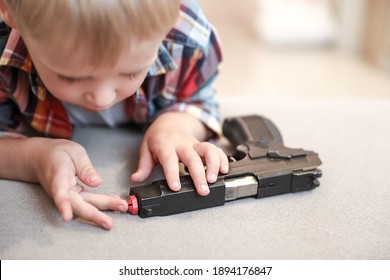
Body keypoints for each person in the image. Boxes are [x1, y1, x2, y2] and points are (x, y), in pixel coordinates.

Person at [0, 0, 229, 230]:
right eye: (70, 77)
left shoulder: (185, 37)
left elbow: (199, 101)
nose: (102, 98)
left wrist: (175, 126)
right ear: (10, 12)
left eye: (131, 72)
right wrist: (32, 158)